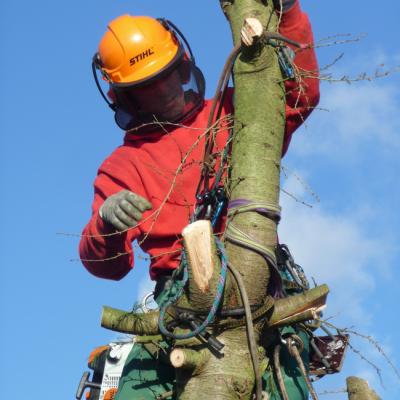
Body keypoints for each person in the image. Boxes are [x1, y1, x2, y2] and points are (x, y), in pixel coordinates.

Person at [80, 1, 319, 398]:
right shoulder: (124, 166)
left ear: (183, 66)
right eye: (147, 92)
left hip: (258, 281)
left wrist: (287, 9)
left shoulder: (233, 111)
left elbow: (299, 93)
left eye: (169, 79)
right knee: (133, 389)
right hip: (180, 299)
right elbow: (109, 265)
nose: (166, 96)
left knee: (285, 382)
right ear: (126, 100)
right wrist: (106, 224)